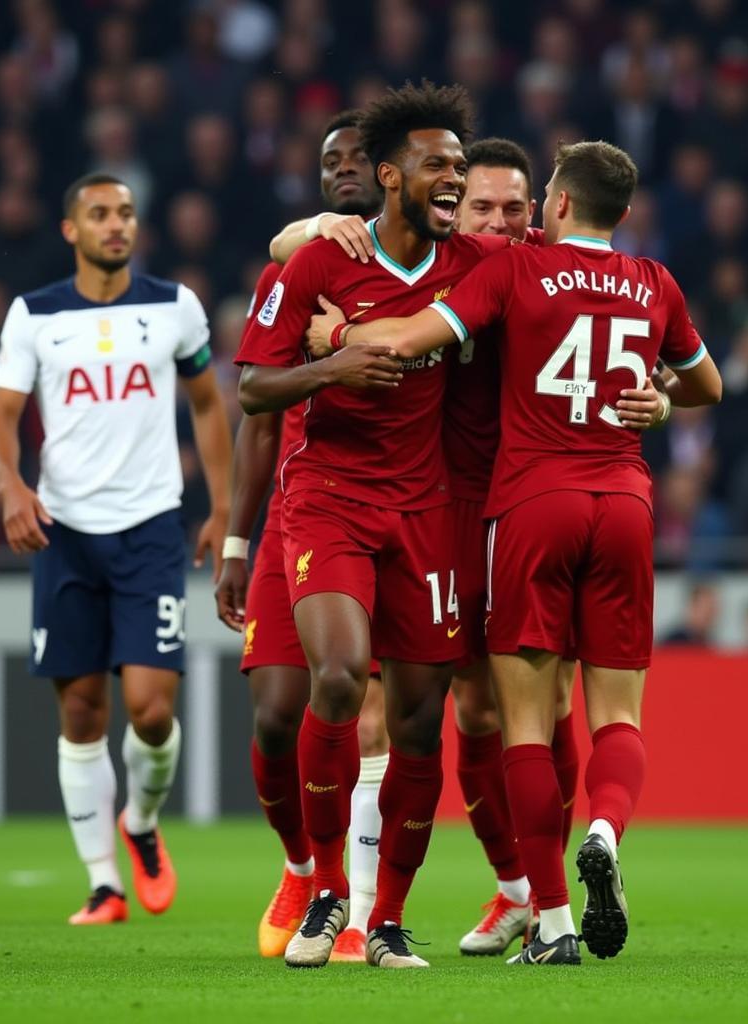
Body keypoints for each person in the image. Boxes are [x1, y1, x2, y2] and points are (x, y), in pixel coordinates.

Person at [307, 140, 722, 966]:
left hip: (529, 502)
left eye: (517, 207)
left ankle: (554, 920)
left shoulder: (518, 275)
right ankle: (601, 831)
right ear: (625, 214)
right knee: (615, 716)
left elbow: (411, 335)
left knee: (519, 722)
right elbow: (708, 385)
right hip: (627, 504)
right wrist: (660, 399)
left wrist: (338, 329)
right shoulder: (655, 283)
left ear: (552, 206)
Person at [237, 81, 524, 970]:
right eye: (440, 167)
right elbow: (252, 386)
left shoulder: (475, 260)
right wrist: (335, 367)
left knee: (416, 721)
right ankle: (325, 891)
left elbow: (565, 266)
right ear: (392, 177)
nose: (456, 179)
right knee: (335, 678)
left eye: (460, 166)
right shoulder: (318, 262)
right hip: (327, 495)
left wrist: (657, 390)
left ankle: (387, 916)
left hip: (427, 511)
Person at [0, 172, 232, 925]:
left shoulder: (174, 306)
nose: (116, 225)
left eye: (125, 213)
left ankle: (142, 824)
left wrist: (223, 508)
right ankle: (103, 883)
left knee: (151, 711)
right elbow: (0, 418)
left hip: (151, 528)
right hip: (65, 534)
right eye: (99, 214)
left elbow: (207, 406)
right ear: (71, 230)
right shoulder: (35, 316)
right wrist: (12, 488)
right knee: (83, 712)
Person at [214, 111, 390, 961]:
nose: (345, 171)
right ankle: (299, 866)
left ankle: (354, 910)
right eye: (331, 161)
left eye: (360, 158)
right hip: (297, 514)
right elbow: (256, 413)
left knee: (365, 710)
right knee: (279, 716)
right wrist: (237, 540)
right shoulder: (290, 268)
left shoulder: (421, 262)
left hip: (392, 507)